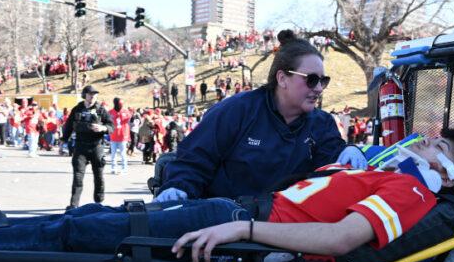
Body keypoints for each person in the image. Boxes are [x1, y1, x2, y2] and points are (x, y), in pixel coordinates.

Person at [0, 130, 454, 262]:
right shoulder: (385, 172)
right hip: (237, 212)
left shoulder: (414, 191)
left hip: (242, 224)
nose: (425, 142)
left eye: (439, 146)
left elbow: (341, 239)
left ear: (448, 174)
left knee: (79, 233)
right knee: (87, 219)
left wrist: (242, 231)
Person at [155, 29, 362, 203]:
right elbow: (195, 158)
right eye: (312, 79)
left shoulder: (322, 123)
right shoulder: (237, 110)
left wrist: (348, 151)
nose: (318, 88)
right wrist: (178, 187)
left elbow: (331, 166)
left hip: (287, 227)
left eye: (323, 81)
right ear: (282, 78)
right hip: (227, 221)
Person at [62, 85, 114, 209]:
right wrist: (63, 140)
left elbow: (111, 126)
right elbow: (68, 125)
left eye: (95, 94)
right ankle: (74, 205)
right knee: (78, 177)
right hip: (81, 147)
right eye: (90, 94)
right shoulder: (77, 109)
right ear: (84, 95)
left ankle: (99, 203)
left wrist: (103, 128)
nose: (93, 97)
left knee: (98, 176)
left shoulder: (101, 110)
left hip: (96, 146)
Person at [109, 98, 131, 175]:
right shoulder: (110, 112)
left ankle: (124, 169)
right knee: (113, 154)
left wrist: (120, 115)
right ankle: (113, 168)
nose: (120, 106)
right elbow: (108, 122)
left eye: (121, 104)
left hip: (123, 136)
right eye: (119, 104)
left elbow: (128, 120)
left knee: (123, 154)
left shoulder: (125, 112)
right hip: (113, 136)